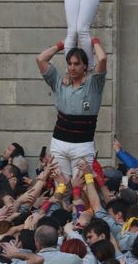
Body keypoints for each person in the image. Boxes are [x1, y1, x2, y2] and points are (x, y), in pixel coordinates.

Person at [35, 38, 108, 177]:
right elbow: (41, 59)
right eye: (69, 64)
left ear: (85, 66)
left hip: (83, 146)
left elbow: (103, 59)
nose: (72, 67)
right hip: (59, 144)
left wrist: (94, 41)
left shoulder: (94, 84)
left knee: (81, 189)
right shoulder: (60, 83)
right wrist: (62, 45)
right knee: (61, 188)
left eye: (76, 64)